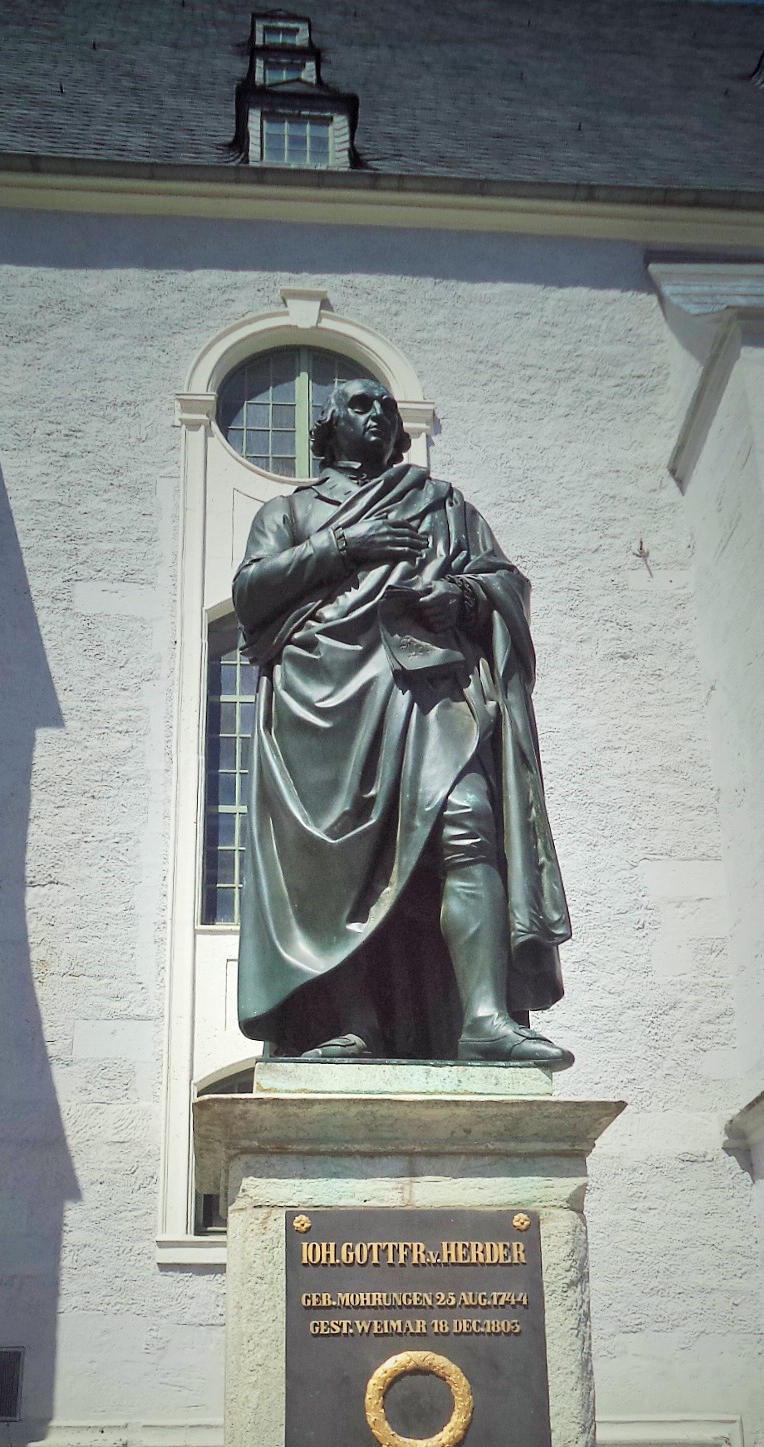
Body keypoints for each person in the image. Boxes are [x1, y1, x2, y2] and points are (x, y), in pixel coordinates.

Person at [231, 376, 573, 1066]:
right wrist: (343, 546)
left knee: (470, 821)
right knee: (338, 869)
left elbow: (503, 582)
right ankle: (347, 1024)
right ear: (327, 425)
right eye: (361, 404)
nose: (379, 414)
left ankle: (484, 1018)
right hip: (325, 705)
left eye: (388, 405)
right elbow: (251, 592)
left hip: (427, 690)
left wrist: (462, 597)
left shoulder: (443, 505)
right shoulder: (289, 512)